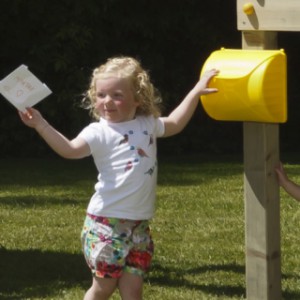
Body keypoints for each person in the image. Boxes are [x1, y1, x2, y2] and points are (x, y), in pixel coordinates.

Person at [19, 56, 219, 300]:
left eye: (117, 95)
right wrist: (41, 125)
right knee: (104, 288)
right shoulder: (98, 132)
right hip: (105, 224)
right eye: (101, 95)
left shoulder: (148, 124)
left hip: (139, 226)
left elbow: (176, 123)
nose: (107, 101)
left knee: (133, 291)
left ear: (138, 97)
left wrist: (196, 92)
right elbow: (70, 150)